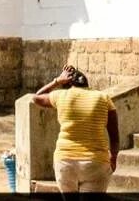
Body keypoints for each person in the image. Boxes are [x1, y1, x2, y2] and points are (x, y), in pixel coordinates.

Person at [30, 65, 118, 194]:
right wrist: (113, 158)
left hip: (65, 162)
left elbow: (36, 97)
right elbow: (114, 135)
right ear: (87, 84)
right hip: (96, 162)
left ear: (69, 83)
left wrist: (57, 81)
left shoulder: (61, 95)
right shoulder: (103, 98)